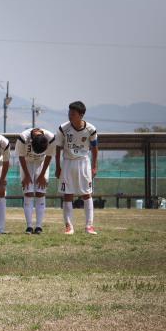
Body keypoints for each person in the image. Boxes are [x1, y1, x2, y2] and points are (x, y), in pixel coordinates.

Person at [56, 101, 99, 235]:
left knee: (87, 194)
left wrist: (94, 166)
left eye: (73, 114)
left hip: (83, 163)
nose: (70, 116)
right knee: (67, 194)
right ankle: (69, 226)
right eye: (69, 113)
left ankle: (89, 226)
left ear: (81, 115)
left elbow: (95, 149)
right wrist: (58, 167)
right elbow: (58, 148)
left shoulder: (91, 129)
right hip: (68, 163)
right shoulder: (63, 128)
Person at [16, 126, 56, 234]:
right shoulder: (23, 138)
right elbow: (21, 156)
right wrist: (26, 175)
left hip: (41, 163)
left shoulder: (51, 138)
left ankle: (39, 226)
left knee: (40, 192)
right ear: (32, 141)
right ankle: (29, 226)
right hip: (26, 163)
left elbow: (49, 156)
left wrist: (42, 175)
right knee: (28, 193)